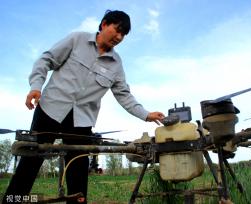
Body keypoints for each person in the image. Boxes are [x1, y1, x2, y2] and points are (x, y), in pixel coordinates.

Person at [2, 10, 164, 204]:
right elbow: (45, 60)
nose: (119, 37)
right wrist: (36, 87)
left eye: (124, 35)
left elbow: (124, 95)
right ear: (104, 24)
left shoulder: (116, 64)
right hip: (50, 110)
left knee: (78, 172)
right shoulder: (76, 39)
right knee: (30, 163)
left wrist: (146, 114)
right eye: (117, 30)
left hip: (81, 121)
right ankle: (11, 201)